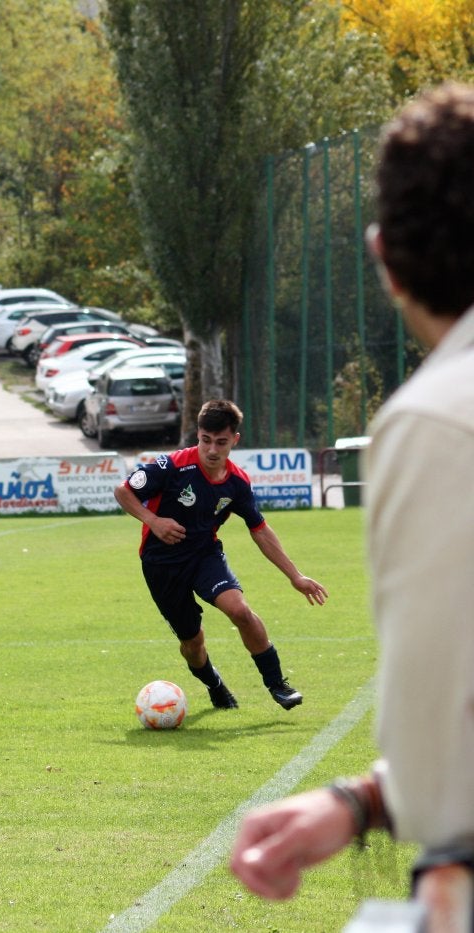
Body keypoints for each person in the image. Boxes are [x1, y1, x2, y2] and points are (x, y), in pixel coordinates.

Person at [231, 83, 474, 927]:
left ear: (384, 257)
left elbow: (442, 744)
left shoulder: (439, 420)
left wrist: (386, 792)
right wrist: (366, 800)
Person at [113, 399, 326, 711]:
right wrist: (153, 521)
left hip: (204, 557)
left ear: (234, 440)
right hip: (162, 565)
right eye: (206, 440)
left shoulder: (237, 483)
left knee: (239, 610)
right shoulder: (172, 466)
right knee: (192, 642)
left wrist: (295, 576)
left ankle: (277, 684)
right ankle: (214, 683)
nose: (212, 450)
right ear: (198, 434)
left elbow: (260, 530)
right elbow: (123, 491)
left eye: (221, 442)